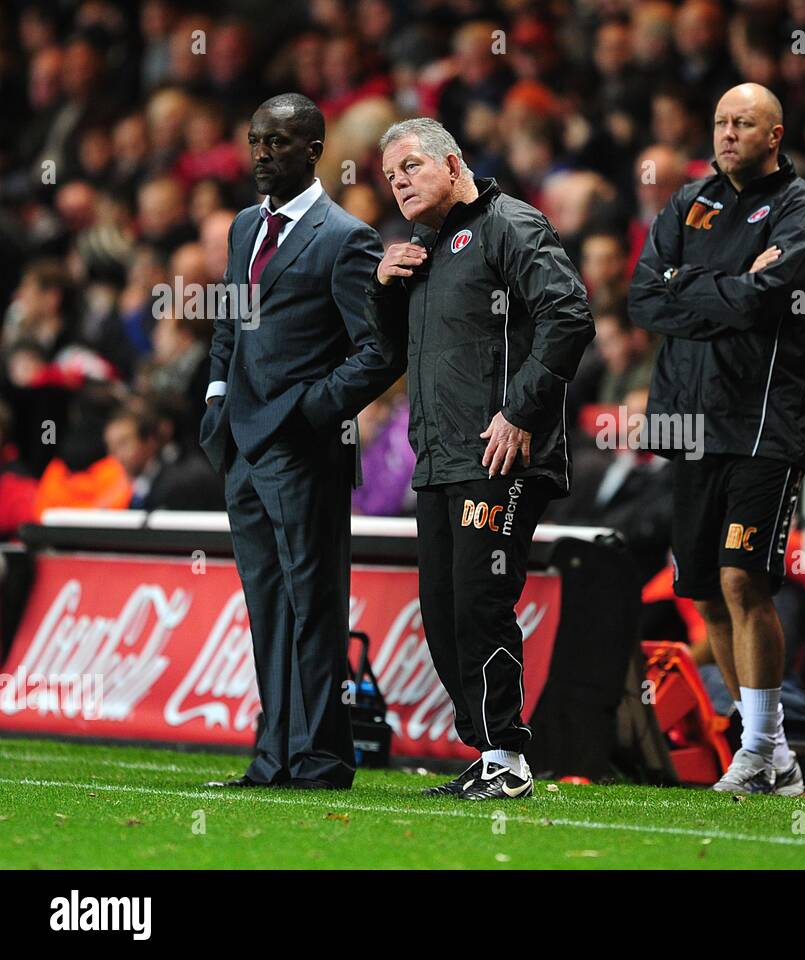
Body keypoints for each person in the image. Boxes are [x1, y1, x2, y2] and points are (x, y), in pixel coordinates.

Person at [368, 117, 593, 801]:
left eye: (408, 166)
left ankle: (508, 759)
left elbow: (570, 313)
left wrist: (521, 410)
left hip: (501, 458)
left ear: (452, 161)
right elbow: (387, 359)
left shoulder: (508, 224)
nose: (398, 183)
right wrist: (382, 290)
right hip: (438, 461)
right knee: (440, 612)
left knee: (478, 603)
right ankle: (489, 748)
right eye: (388, 178)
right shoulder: (423, 253)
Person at [628, 83, 805, 795]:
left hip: (766, 421)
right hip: (690, 421)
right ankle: (767, 754)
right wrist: (721, 287)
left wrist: (690, 284)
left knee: (744, 577)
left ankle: (761, 748)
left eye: (742, 123)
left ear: (774, 134)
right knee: (707, 594)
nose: (726, 134)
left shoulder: (803, 210)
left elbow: (765, 298)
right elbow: (642, 297)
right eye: (719, 121)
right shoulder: (689, 200)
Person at [200, 94, 401, 790]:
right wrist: (216, 400)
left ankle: (320, 760)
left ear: (315, 150)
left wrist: (308, 412)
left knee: (313, 607)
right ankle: (274, 758)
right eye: (256, 140)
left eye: (279, 143)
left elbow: (380, 351)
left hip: (304, 450)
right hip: (243, 449)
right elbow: (230, 322)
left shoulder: (346, 237)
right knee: (267, 607)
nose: (262, 153)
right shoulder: (241, 229)